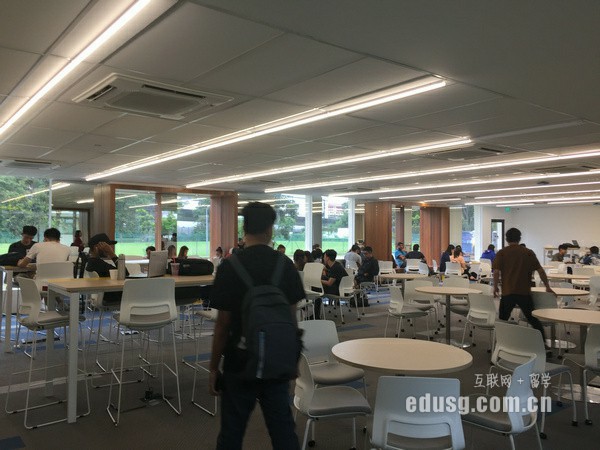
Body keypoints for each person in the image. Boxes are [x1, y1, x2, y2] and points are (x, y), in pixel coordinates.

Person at [208, 202, 303, 449]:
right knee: (283, 431)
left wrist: (213, 368)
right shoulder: (286, 265)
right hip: (276, 360)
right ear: (270, 229)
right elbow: (291, 321)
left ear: (244, 228)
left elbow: (222, 325)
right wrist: (292, 361)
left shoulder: (229, 266)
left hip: (239, 362)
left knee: (231, 433)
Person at [493, 228, 554, 352]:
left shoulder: (502, 253)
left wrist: (495, 287)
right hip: (524, 292)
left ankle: (500, 345)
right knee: (533, 319)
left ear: (506, 239)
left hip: (508, 292)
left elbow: (496, 272)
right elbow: (540, 270)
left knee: (503, 319)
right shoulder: (528, 252)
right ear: (519, 238)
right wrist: (547, 286)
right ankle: (543, 345)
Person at [86, 233, 126, 304]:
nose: (109, 248)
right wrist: (112, 254)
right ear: (96, 247)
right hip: (113, 296)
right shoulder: (98, 264)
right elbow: (125, 273)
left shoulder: (92, 262)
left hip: (105, 295)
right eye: (107, 247)